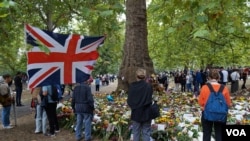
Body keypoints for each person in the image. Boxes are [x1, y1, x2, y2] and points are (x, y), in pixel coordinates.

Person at [198, 69, 232, 141]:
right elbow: (228, 103)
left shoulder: (204, 87)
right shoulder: (224, 88)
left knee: (207, 133)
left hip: (207, 114)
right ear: (219, 77)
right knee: (219, 133)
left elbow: (201, 103)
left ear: (208, 78)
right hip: (221, 115)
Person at [127, 68, 153, 141]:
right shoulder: (148, 86)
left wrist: (134, 106)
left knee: (136, 132)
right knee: (146, 132)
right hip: (147, 112)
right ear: (145, 76)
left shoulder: (132, 86)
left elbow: (129, 101)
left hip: (136, 112)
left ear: (136, 76)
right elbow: (150, 98)